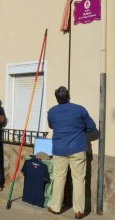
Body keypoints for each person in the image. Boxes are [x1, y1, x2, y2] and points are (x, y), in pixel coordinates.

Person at [47, 86, 97, 219]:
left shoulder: (51, 111)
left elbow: (51, 126)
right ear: (69, 96)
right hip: (77, 149)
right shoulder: (80, 109)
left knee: (59, 178)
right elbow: (92, 127)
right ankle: (79, 211)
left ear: (57, 99)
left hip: (59, 149)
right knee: (79, 179)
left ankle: (55, 207)